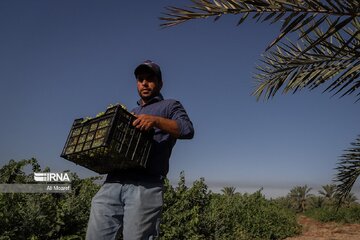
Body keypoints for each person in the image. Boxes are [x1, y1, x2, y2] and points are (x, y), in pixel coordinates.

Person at [86, 60, 194, 240]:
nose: (144, 83)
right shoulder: (131, 111)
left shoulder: (170, 105)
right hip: (113, 183)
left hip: (145, 185)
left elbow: (187, 129)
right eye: (140, 79)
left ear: (160, 83)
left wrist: (156, 120)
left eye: (149, 79)